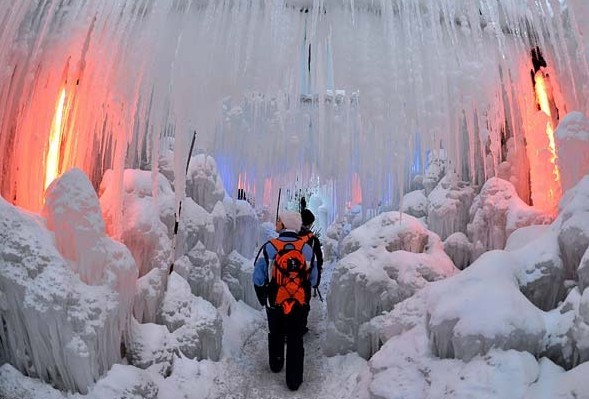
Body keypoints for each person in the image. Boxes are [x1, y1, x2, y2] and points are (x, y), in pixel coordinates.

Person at [253, 210, 317, 391]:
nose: (277, 222)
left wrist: (262, 296)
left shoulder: (270, 246)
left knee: (276, 332)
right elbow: (314, 279)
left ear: (285, 225)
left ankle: (276, 364)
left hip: (275, 299)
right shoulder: (306, 249)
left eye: (279, 220)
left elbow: (258, 276)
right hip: (299, 301)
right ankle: (294, 380)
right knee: (295, 338)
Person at [299, 208, 323, 333]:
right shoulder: (313, 240)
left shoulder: (291, 235)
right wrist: (316, 280)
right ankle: (301, 327)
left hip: (286, 275)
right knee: (304, 302)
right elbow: (318, 260)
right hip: (305, 278)